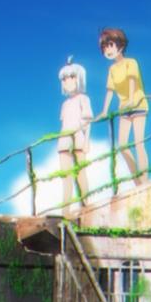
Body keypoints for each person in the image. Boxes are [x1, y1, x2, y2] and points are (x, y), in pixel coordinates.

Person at [98, 27, 149, 186]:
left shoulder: (131, 62)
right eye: (105, 47)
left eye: (110, 45)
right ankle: (137, 181)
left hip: (138, 103)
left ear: (120, 45)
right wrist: (104, 111)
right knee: (122, 145)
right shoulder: (112, 69)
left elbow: (133, 80)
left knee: (139, 143)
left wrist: (132, 99)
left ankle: (145, 180)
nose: (108, 50)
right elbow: (110, 90)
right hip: (123, 108)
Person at [58, 56, 93, 206]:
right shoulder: (65, 104)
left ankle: (86, 203)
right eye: (64, 79)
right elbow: (63, 123)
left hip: (78, 139)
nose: (67, 81)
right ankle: (66, 209)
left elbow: (87, 121)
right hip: (64, 141)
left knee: (80, 173)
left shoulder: (83, 99)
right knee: (66, 176)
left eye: (71, 77)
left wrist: (86, 142)